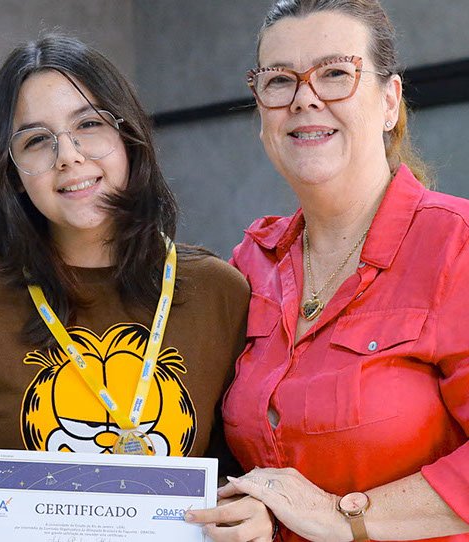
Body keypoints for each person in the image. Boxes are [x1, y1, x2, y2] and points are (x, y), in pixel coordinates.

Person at [0, 33, 261, 537]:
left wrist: (255, 512)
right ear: (12, 172)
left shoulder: (222, 294)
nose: (68, 156)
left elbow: (250, 475)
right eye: (36, 140)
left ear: (128, 135)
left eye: (89, 125)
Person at [187, 1, 469, 540]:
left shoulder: (457, 246)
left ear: (389, 102)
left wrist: (344, 517)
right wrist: (257, 507)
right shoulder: (251, 264)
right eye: (279, 80)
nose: (305, 98)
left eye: (336, 73)